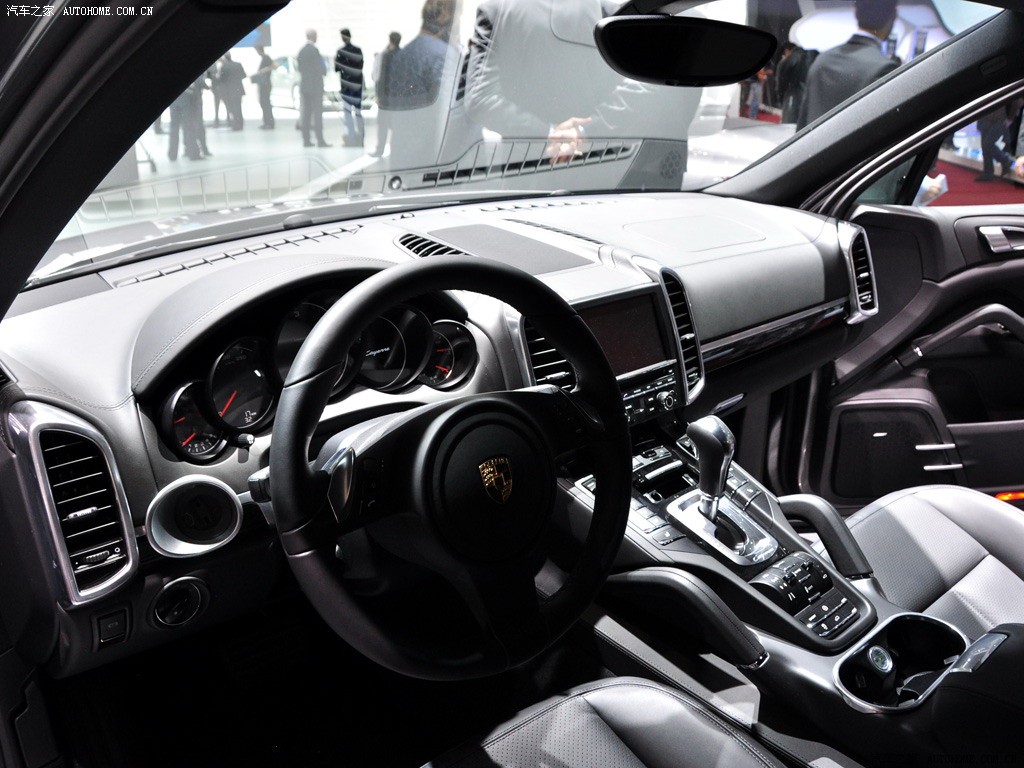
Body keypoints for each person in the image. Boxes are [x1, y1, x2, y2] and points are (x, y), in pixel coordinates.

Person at [465, 0, 700, 167]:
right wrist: (588, 130)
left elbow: (479, 98)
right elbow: (646, 85)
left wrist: (546, 134)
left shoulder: (495, 9)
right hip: (599, 166)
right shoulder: (611, 10)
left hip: (523, 168)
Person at [383, 0, 465, 168]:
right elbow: (451, 120)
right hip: (435, 164)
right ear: (447, 17)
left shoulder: (401, 54)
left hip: (402, 158)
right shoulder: (445, 55)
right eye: (458, 17)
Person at [796, 0, 900, 130]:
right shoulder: (884, 69)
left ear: (855, 12)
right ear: (894, 15)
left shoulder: (821, 61)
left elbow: (801, 128)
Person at [297, 29, 330, 147]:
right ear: (313, 36)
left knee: (306, 114)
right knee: (317, 114)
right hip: (315, 87)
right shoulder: (314, 50)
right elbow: (319, 68)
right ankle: (320, 140)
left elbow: (300, 68)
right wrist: (324, 72)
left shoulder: (301, 51)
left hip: (305, 87)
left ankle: (306, 140)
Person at [370, 32, 401, 157]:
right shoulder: (403, 54)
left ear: (390, 40)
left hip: (386, 97)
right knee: (397, 125)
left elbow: (381, 77)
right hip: (398, 97)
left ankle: (380, 150)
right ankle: (396, 151)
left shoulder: (386, 55)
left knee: (382, 125)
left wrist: (378, 95)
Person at [335, 28, 365, 147]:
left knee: (347, 113)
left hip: (346, 86)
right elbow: (361, 65)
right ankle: (361, 138)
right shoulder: (358, 50)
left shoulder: (340, 51)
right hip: (357, 85)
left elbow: (337, 68)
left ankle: (351, 139)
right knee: (358, 112)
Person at [975, 101, 1018, 181]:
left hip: (1000, 118)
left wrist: (1010, 117)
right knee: (985, 146)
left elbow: (1016, 101)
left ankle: (1005, 161)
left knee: (987, 144)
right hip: (985, 117)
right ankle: (988, 173)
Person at [250, 45, 277, 129]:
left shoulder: (266, 57)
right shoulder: (263, 58)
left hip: (265, 84)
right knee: (264, 103)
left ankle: (269, 123)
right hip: (263, 84)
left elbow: (274, 65)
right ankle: (267, 122)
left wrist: (265, 69)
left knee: (265, 103)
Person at [218, 52, 246, 130]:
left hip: (229, 91)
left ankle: (236, 125)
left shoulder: (224, 66)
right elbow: (244, 75)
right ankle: (240, 124)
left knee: (232, 109)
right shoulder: (238, 64)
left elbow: (221, 80)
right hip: (238, 90)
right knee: (238, 107)